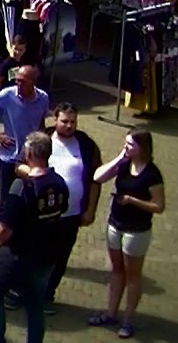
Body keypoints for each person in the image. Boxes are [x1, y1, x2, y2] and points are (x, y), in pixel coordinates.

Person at [0, 131, 68, 343]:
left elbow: (5, 230)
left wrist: (1, 242)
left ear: (28, 153)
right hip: (47, 255)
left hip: (18, 255)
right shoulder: (59, 183)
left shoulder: (21, 187)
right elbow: (62, 210)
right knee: (35, 303)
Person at [89, 127, 165, 339]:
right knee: (117, 270)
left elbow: (159, 206)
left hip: (136, 231)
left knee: (133, 275)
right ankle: (111, 313)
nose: (126, 147)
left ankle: (128, 320)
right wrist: (119, 158)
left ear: (142, 147)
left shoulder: (152, 174)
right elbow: (98, 177)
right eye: (126, 143)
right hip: (115, 224)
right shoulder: (123, 164)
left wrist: (133, 201)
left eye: (130, 144)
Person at [39, 103, 102, 312]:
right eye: (64, 121)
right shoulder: (42, 140)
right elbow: (21, 165)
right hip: (42, 214)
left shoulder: (86, 145)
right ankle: (25, 291)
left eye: (73, 122)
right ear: (55, 119)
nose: (69, 126)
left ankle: (47, 295)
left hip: (71, 215)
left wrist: (90, 210)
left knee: (60, 257)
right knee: (37, 254)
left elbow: (95, 179)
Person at [0, 65, 50, 199]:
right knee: (7, 199)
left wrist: (43, 148)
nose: (18, 84)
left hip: (31, 158)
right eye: (17, 80)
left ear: (33, 82)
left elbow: (40, 124)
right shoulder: (8, 94)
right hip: (9, 157)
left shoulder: (43, 98)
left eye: (23, 81)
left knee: (30, 198)